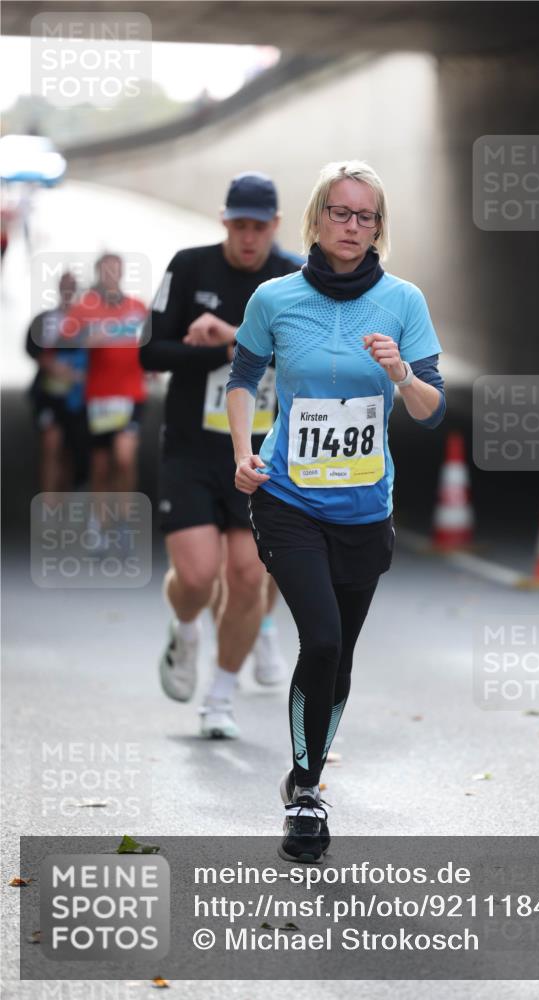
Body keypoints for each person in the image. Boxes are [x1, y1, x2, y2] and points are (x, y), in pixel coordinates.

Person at [227, 160, 446, 863]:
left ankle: (306, 770)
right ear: (317, 217)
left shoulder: (403, 302)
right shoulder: (274, 298)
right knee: (320, 639)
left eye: (366, 216)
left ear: (379, 227)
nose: (352, 226)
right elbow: (242, 378)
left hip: (364, 506)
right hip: (288, 498)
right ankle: (306, 792)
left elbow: (430, 408)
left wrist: (400, 373)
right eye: (340, 212)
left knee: (340, 654)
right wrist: (243, 452)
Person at [140, 173, 300, 740]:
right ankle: (185, 631)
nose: (248, 237)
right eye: (239, 226)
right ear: (224, 222)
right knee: (198, 576)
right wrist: (206, 351)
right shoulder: (190, 267)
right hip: (192, 448)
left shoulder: (294, 278)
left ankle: (220, 697)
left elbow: (307, 354)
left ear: (275, 225)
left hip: (262, 455)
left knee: (249, 577)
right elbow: (150, 352)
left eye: (259, 227)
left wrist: (229, 337)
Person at [62, 253, 148, 532]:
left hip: (131, 393)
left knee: (124, 457)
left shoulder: (137, 307)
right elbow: (62, 340)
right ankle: (99, 521)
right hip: (99, 396)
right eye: (106, 270)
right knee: (100, 464)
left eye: (116, 269)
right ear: (98, 273)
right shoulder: (85, 307)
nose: (111, 275)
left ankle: (123, 519)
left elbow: (153, 340)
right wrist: (86, 339)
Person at [26, 271, 89, 491]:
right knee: (51, 444)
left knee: (72, 452)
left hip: (79, 397)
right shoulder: (45, 319)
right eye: (65, 285)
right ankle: (49, 502)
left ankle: (66, 500)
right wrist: (52, 366)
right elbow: (32, 350)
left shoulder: (88, 321)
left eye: (73, 285)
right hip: (50, 395)